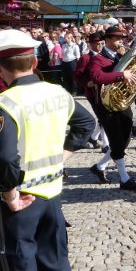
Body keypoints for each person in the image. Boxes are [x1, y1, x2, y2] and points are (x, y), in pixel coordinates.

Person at [0, 29, 94, 270]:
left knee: (22, 262)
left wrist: (10, 197)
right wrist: (62, 156)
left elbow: (6, 158)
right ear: (34, 62)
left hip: (22, 198)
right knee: (55, 260)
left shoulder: (5, 103)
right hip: (53, 192)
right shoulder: (58, 92)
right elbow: (86, 124)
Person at [87, 25, 136, 190]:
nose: (121, 41)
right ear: (108, 39)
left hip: (122, 102)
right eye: (118, 38)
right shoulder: (98, 58)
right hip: (106, 105)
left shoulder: (121, 56)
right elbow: (97, 77)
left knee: (125, 139)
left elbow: (133, 74)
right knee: (117, 141)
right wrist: (121, 75)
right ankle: (124, 179)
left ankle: (100, 166)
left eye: (122, 38)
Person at [74, 32, 108, 150]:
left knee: (104, 117)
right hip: (93, 93)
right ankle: (106, 144)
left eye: (102, 43)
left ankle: (93, 138)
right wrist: (87, 82)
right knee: (103, 117)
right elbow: (77, 75)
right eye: (97, 44)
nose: (100, 46)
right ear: (91, 44)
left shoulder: (106, 55)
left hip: (106, 91)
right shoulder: (85, 58)